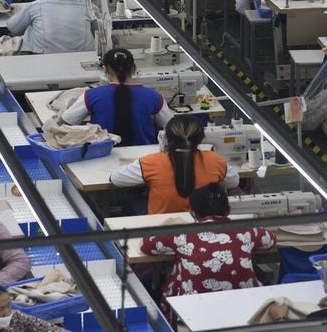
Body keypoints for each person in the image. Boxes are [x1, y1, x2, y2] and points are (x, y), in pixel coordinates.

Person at [142, 183, 275, 317]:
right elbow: (270, 241)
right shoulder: (247, 229)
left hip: (194, 311)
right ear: (228, 210)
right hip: (246, 307)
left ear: (193, 213)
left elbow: (146, 245)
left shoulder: (182, 234)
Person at [110, 116, 239, 213]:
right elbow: (233, 182)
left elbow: (115, 179)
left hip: (163, 231)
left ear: (167, 139)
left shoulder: (151, 162)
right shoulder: (215, 160)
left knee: (133, 198)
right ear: (201, 139)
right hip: (201, 229)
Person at [61, 48, 174, 145]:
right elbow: (172, 127)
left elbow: (67, 121)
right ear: (134, 68)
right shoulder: (154, 97)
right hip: (143, 157)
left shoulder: (91, 96)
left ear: (105, 70)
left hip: (103, 154)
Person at [6, 0, 95, 54]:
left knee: (31, 30)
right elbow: (98, 31)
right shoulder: (90, 8)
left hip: (43, 59)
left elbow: (13, 28)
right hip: (83, 58)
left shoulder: (37, 6)